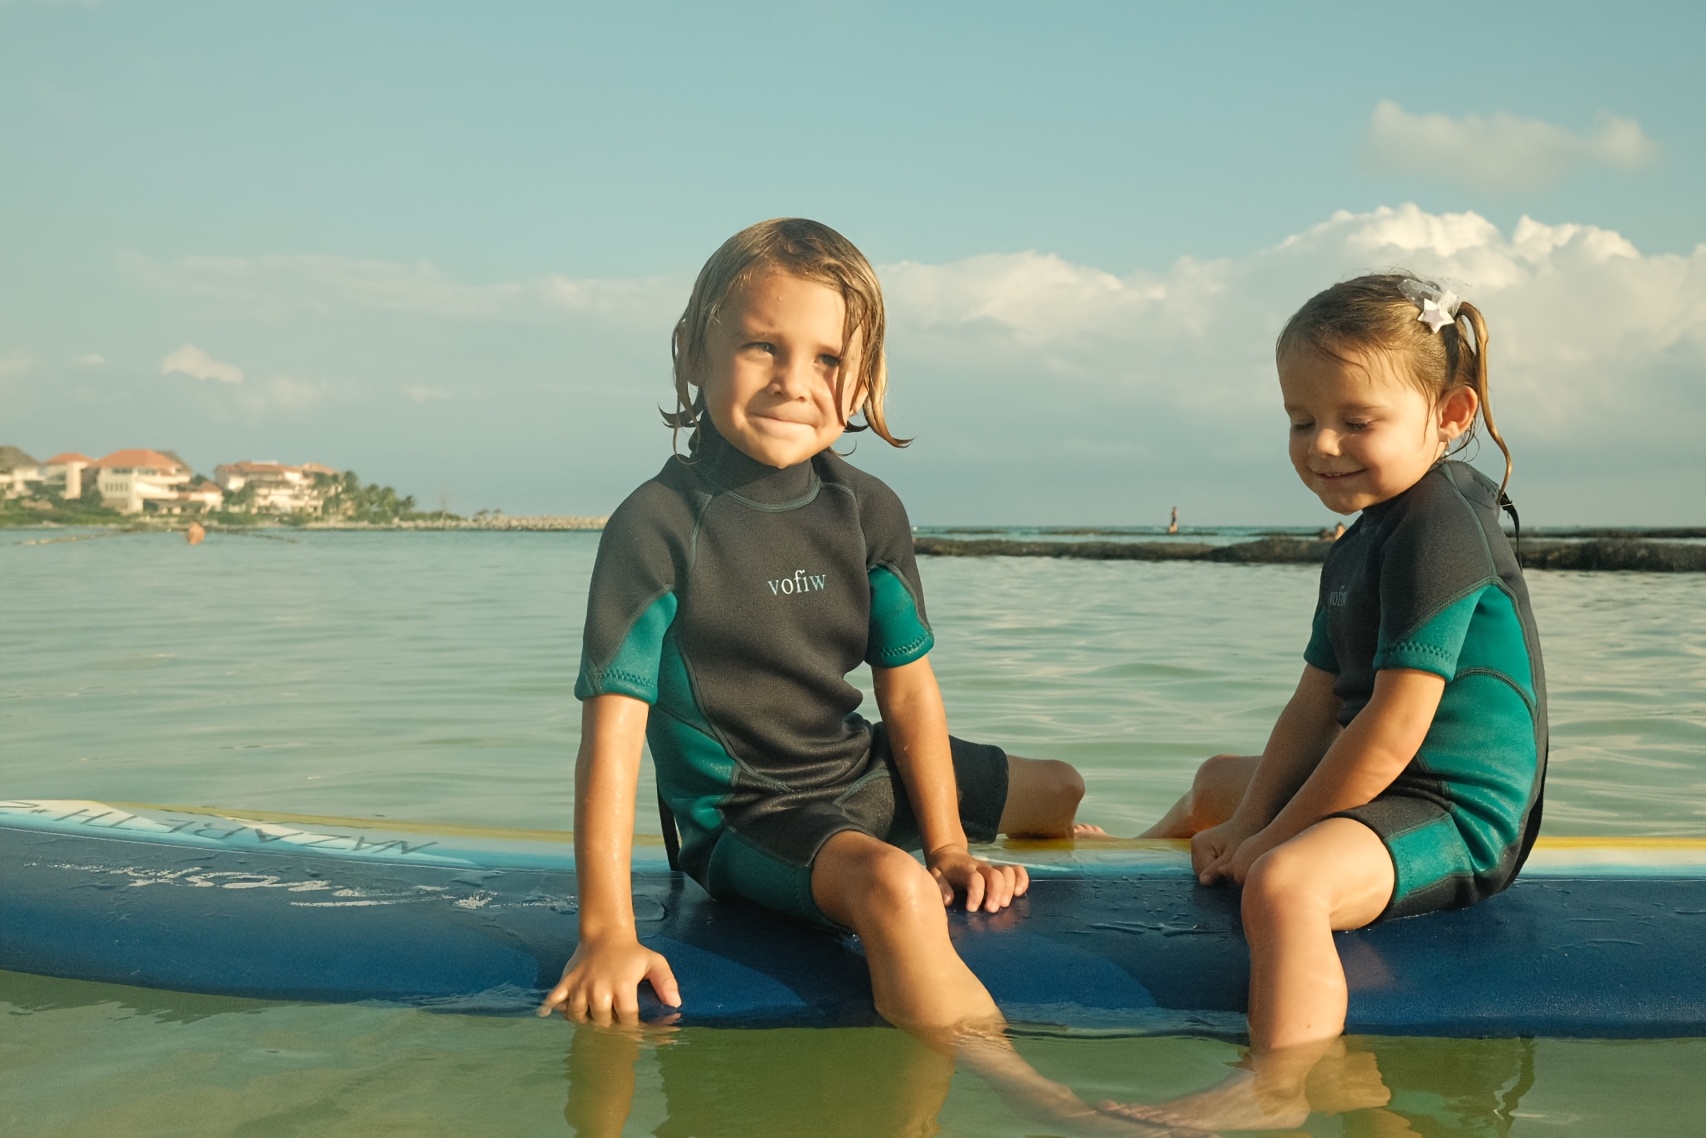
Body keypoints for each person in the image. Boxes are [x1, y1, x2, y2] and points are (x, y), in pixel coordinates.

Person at [538, 219, 1094, 1029]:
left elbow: (908, 693)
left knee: (1062, 790)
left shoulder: (868, 510)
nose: (794, 383)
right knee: (896, 889)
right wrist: (606, 933)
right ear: (692, 353)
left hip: (860, 771)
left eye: (828, 359)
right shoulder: (655, 526)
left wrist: (948, 846)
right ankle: (1022, 1081)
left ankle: (1166, 837)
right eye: (762, 346)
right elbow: (613, 740)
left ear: (864, 378)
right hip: (748, 814)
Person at [1116, 273, 1547, 1131]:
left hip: (1455, 812)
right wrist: (1244, 818)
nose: (1322, 444)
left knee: (1285, 886)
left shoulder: (1441, 528)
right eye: (1300, 419)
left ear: (1450, 414)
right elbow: (1314, 704)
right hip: (1391, 784)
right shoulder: (1362, 537)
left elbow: (1390, 730)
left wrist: (1270, 840)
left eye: (1357, 420)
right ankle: (1121, 866)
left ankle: (1277, 1089)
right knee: (1217, 782)